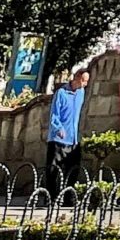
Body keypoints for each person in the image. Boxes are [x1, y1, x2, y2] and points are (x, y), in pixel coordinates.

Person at [44, 67, 87, 195]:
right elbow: (54, 114)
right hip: (58, 138)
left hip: (73, 138)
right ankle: (50, 197)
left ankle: (68, 197)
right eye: (83, 81)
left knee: (73, 169)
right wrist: (58, 128)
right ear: (77, 78)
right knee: (53, 169)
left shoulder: (81, 92)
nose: (85, 84)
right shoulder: (61, 93)